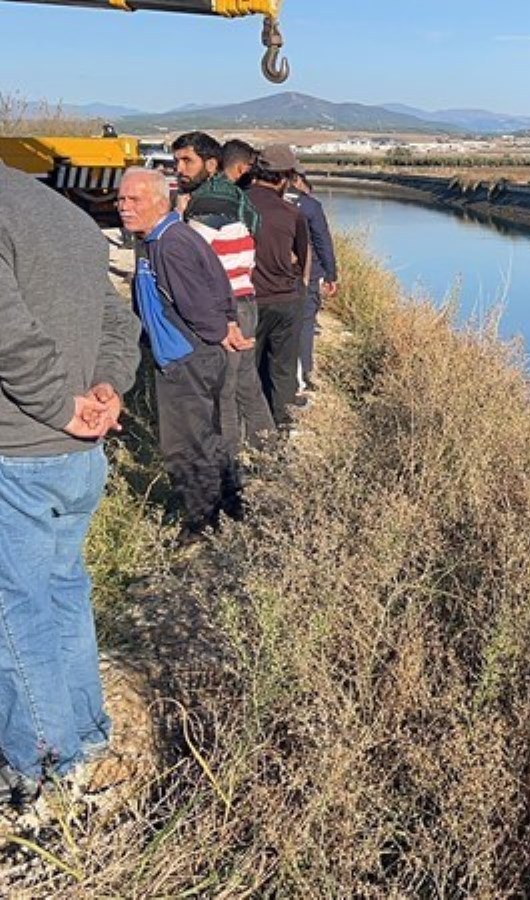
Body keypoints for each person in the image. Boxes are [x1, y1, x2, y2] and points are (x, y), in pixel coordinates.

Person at [0, 161, 140, 803]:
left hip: (18, 454)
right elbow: (121, 323)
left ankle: (42, 768)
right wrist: (108, 388)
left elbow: (9, 337)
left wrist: (60, 402)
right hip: (76, 457)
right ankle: (85, 735)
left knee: (14, 612)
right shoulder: (69, 217)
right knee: (61, 593)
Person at [117, 168, 239, 541]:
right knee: (206, 435)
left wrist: (219, 331)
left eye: (133, 200)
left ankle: (200, 522)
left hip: (187, 359)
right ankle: (228, 504)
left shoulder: (171, 243)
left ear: (158, 200)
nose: (123, 207)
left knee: (185, 444)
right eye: (120, 199)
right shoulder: (162, 238)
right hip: (190, 355)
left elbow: (201, 302)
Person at [173, 132, 275, 465]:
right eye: (176, 161)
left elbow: (188, 262)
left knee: (223, 390)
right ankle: (269, 453)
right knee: (247, 383)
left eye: (187, 161)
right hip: (246, 299)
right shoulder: (236, 197)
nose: (179, 169)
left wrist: (178, 219)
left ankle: (229, 470)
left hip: (225, 306)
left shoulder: (207, 204)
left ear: (212, 163)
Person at [244, 145, 310, 428]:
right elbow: (304, 260)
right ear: (284, 177)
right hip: (286, 300)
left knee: (247, 370)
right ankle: (280, 429)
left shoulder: (239, 204)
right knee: (282, 370)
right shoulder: (292, 213)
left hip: (248, 301)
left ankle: (250, 432)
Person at [289, 171, 338, 392]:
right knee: (305, 323)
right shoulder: (309, 207)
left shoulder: (257, 201)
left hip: (271, 275)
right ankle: (304, 373)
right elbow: (322, 241)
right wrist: (331, 274)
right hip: (308, 273)